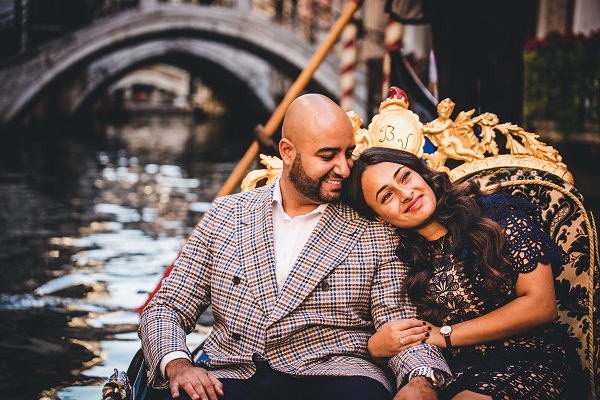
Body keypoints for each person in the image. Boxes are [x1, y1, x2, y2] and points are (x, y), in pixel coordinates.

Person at [138, 94, 451, 400]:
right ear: (288, 151)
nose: (343, 169)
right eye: (328, 156)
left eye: (348, 153)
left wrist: (421, 378)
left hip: (340, 376)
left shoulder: (375, 227)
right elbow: (168, 307)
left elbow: (400, 323)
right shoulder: (226, 214)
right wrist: (178, 365)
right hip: (233, 374)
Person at [342, 147, 584, 399]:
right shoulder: (399, 261)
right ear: (379, 217)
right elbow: (407, 340)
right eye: (387, 196)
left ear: (422, 173)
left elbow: (541, 305)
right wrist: (376, 349)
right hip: (451, 372)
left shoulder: (496, 216)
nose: (405, 194)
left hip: (533, 358)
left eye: (405, 177)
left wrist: (444, 335)